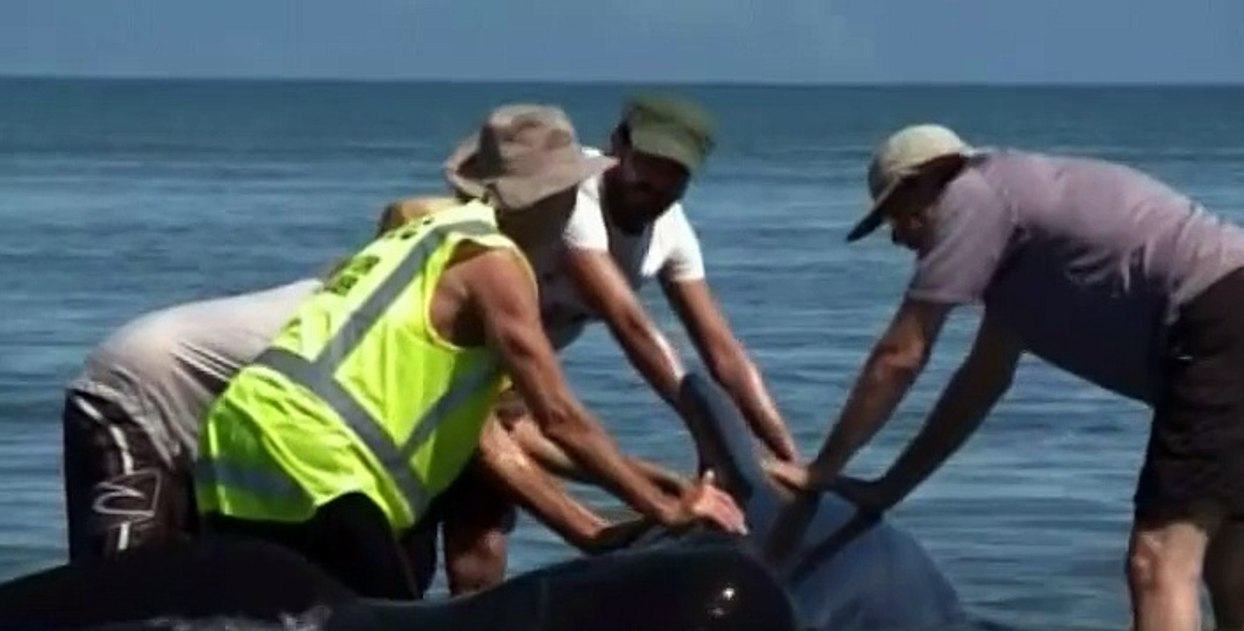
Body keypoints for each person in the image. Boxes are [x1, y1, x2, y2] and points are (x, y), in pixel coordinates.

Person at [193, 104, 748, 600]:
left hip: (237, 441)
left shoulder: (426, 231)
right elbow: (558, 417)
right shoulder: (497, 264)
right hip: (318, 461)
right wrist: (668, 510)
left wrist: (606, 516)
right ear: (550, 198)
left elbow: (502, 432)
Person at [770, 123, 1244, 631]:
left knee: (1158, 560)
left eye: (894, 217)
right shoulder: (1019, 239)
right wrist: (888, 488)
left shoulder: (970, 195)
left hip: (1224, 320)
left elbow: (901, 354)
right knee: (1232, 574)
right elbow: (979, 386)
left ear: (922, 185)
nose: (899, 238)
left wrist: (819, 470)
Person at [384, 93, 798, 593]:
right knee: (410, 546)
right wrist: (700, 444)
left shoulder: (671, 236)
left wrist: (783, 460)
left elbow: (724, 353)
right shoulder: (565, 194)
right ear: (618, 145)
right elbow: (628, 321)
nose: (658, 184)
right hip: (444, 371)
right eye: (649, 163)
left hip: (507, 387)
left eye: (675, 172)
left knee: (483, 538)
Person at [61, 279, 321, 562]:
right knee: (124, 585)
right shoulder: (353, 320)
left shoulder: (350, 296)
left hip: (193, 415)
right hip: (129, 399)